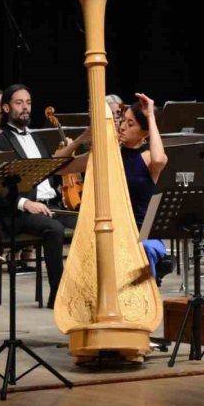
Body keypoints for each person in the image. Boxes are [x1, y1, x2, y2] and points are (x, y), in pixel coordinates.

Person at [0, 84, 76, 309]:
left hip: (52, 205)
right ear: (6, 107)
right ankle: (58, 295)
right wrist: (25, 203)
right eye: (19, 103)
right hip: (19, 212)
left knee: (88, 221)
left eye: (28, 102)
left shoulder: (38, 139)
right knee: (53, 229)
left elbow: (51, 176)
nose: (25, 108)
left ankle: (83, 288)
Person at [62, 93, 172, 282]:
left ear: (144, 133)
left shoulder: (147, 159)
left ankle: (144, 300)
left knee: (143, 250)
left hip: (143, 235)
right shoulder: (106, 155)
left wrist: (151, 116)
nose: (122, 127)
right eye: (123, 120)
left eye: (131, 124)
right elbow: (61, 167)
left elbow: (159, 158)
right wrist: (80, 140)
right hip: (112, 233)